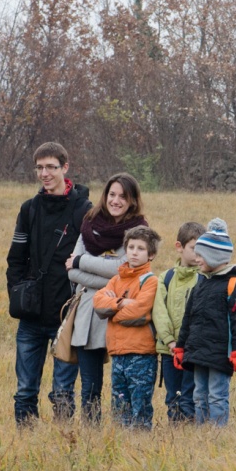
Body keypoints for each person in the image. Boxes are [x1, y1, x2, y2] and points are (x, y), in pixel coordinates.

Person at [6, 142, 92, 425]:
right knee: (24, 391)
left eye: (51, 167)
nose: (45, 173)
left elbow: (93, 255)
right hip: (31, 315)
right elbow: (16, 259)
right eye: (40, 168)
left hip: (66, 316)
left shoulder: (83, 210)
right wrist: (18, 293)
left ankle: (60, 447)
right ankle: (26, 446)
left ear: (65, 168)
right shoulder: (29, 209)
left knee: (63, 392)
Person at [65, 173, 148, 423]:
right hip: (89, 315)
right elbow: (72, 273)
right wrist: (106, 274)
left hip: (123, 316)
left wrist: (83, 261)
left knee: (124, 383)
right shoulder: (90, 223)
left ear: (132, 201)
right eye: (112, 194)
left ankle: (123, 429)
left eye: (123, 196)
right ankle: (92, 432)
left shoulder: (139, 230)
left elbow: (125, 269)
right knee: (90, 384)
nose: (116, 200)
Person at [174, 218, 236, 426]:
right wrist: (181, 348)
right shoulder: (201, 283)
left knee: (217, 395)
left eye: (201, 255)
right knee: (199, 395)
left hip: (220, 354)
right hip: (198, 352)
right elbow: (188, 319)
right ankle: (202, 433)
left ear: (214, 256)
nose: (197, 259)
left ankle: (217, 433)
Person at [92, 225, 161, 429]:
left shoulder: (151, 281)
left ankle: (140, 445)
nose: (134, 252)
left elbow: (139, 312)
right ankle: (122, 446)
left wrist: (112, 311)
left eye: (140, 248)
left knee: (139, 405)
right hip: (118, 353)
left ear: (151, 254)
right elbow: (98, 302)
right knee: (119, 406)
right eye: (131, 247)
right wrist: (120, 303)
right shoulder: (116, 280)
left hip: (140, 354)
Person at [153, 222, 204, 423]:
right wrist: (170, 341)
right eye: (194, 248)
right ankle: (175, 430)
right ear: (179, 247)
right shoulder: (166, 277)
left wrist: (190, 343)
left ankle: (190, 433)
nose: (198, 254)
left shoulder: (204, 278)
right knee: (173, 396)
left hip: (193, 352)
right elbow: (159, 311)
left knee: (191, 396)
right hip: (169, 351)